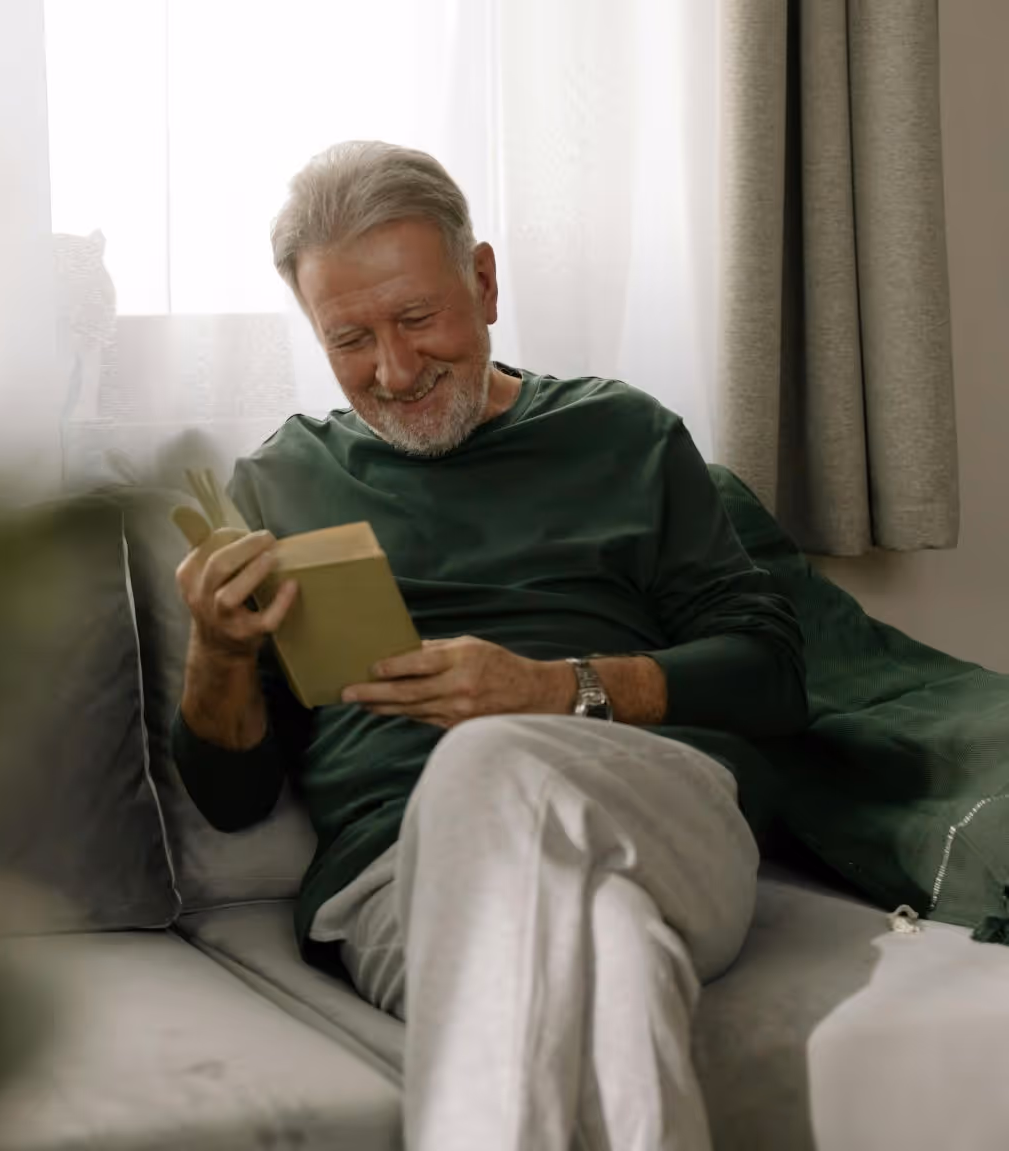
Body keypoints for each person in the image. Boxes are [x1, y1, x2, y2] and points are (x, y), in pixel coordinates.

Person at [169, 141, 808, 1151]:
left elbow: (771, 678)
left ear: (483, 280)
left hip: (654, 818)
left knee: (490, 750)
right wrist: (215, 647)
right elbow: (231, 798)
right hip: (396, 882)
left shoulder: (621, 433)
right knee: (614, 957)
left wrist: (553, 689)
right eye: (347, 337)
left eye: (417, 318)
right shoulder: (280, 484)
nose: (392, 368)